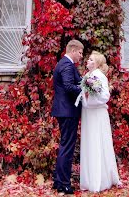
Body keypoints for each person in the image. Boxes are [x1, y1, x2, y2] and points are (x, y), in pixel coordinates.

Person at [79, 51, 121, 193]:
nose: (87, 61)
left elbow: (104, 96)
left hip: (97, 113)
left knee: (98, 142)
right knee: (89, 142)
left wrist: (91, 96)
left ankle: (99, 179)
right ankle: (89, 179)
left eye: (90, 60)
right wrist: (84, 96)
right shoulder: (86, 76)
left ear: (96, 63)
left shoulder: (100, 76)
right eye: (88, 60)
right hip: (88, 113)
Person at [51, 39, 84, 195]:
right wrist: (86, 91)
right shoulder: (66, 65)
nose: (81, 56)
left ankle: (59, 182)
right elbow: (69, 86)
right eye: (80, 52)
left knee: (65, 146)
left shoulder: (64, 64)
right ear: (73, 50)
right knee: (67, 148)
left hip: (65, 111)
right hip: (68, 112)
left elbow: (74, 83)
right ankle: (64, 184)